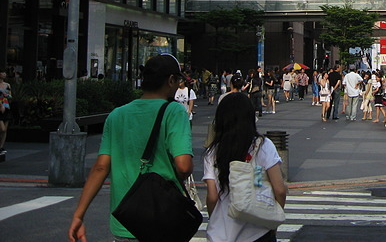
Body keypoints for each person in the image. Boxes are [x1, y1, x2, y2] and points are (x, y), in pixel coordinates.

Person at [68, 54, 193, 242]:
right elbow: (183, 166)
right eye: (178, 80)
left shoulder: (117, 115)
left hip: (125, 220)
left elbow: (101, 168)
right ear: (171, 80)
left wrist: (79, 215)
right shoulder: (174, 111)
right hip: (161, 219)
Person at [203, 93, 287, 242]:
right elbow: (279, 190)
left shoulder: (213, 152)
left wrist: (215, 217)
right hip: (258, 231)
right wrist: (273, 221)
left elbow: (212, 197)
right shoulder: (262, 145)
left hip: (221, 234)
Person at [0, 69, 11, 156]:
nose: (4, 74)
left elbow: (10, 95)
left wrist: (7, 95)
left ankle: (1, 146)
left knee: (5, 129)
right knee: (2, 128)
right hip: (1, 106)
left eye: (5, 72)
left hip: (6, 106)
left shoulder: (7, 85)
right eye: (2, 72)